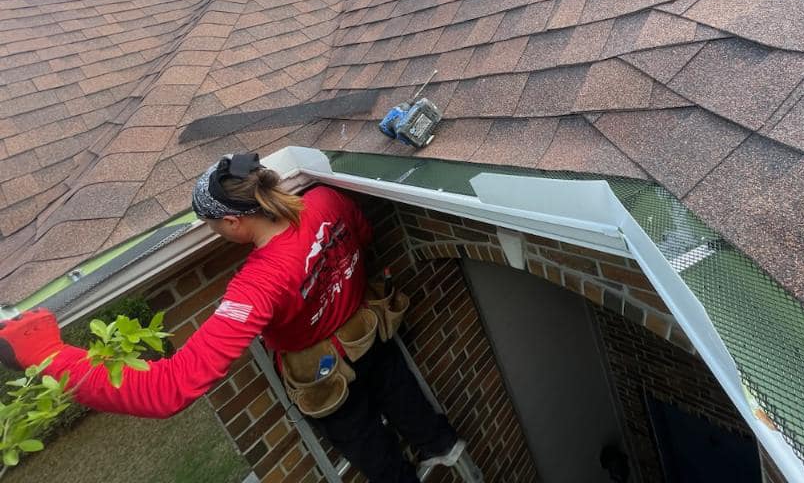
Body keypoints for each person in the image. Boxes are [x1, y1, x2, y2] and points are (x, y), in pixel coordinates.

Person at [0, 153, 462, 483]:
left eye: (211, 225)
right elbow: (360, 235)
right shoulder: (324, 200)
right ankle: (443, 446)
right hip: (369, 337)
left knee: (376, 457)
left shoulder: (257, 285)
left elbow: (168, 390)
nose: (212, 232)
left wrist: (48, 356)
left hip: (327, 378)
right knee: (409, 405)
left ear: (234, 223)